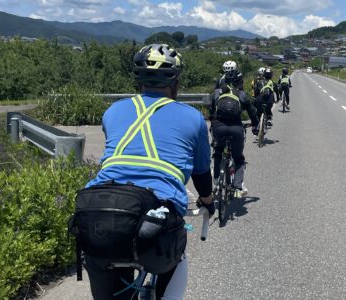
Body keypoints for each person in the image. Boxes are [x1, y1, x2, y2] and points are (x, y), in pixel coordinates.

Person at [76, 44, 215, 300]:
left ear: (137, 80)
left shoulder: (113, 111)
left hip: (98, 211)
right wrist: (208, 202)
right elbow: (201, 172)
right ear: (176, 82)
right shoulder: (193, 118)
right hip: (156, 214)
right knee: (176, 256)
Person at [210, 69, 259, 197]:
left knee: (218, 153)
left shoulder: (217, 93)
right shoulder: (241, 95)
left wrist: (213, 125)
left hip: (218, 128)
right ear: (239, 82)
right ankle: (237, 187)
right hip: (236, 129)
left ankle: (216, 179)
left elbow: (211, 112)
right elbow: (252, 112)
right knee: (238, 158)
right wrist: (255, 124)